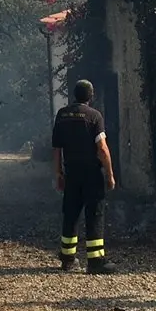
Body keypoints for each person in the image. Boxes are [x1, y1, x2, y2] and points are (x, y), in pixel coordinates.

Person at [52, 79, 117, 274]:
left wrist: (58, 173)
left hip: (71, 173)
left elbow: (56, 148)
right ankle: (96, 262)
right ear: (91, 95)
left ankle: (68, 259)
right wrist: (110, 174)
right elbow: (102, 148)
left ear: (74, 94)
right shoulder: (95, 116)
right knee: (94, 214)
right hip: (91, 174)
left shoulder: (62, 115)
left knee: (70, 214)